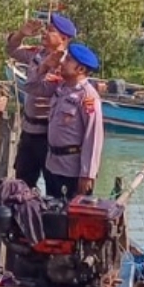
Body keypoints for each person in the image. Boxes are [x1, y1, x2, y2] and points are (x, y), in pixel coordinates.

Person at [5, 12, 77, 190]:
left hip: (50, 135)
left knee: (53, 186)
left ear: (63, 38)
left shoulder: (68, 65)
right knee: (23, 183)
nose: (44, 33)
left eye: (50, 31)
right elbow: (11, 50)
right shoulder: (36, 54)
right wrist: (21, 33)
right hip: (29, 130)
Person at [44, 42, 103, 201]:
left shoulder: (88, 97)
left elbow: (93, 137)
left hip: (72, 171)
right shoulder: (61, 89)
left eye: (68, 60)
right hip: (52, 165)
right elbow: (33, 87)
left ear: (81, 70)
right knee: (51, 215)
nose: (62, 62)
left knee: (71, 219)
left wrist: (87, 174)